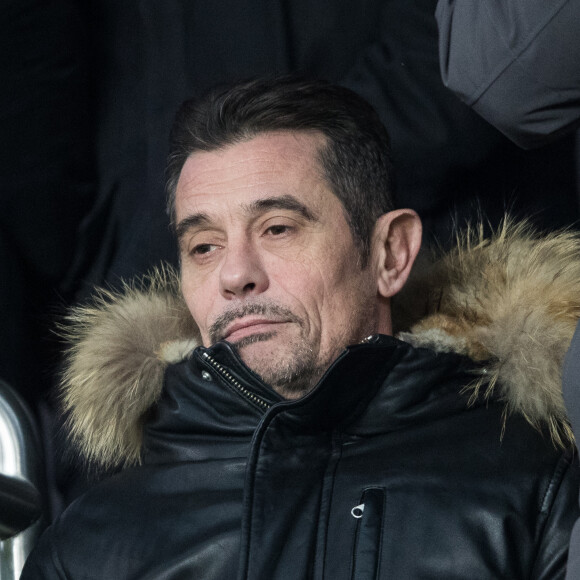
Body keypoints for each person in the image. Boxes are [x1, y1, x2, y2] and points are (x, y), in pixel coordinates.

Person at [21, 77, 580, 579]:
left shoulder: (538, 491)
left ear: (390, 253)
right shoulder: (91, 543)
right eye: (204, 246)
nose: (235, 275)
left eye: (278, 228)